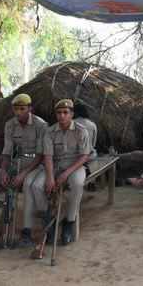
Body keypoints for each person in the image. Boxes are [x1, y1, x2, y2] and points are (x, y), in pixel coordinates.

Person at [0, 94, 48, 244]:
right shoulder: (10, 124)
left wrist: (23, 174)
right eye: (16, 109)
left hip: (35, 164)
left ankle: (27, 230)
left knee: (27, 185)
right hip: (16, 163)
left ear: (30, 109)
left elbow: (40, 155)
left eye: (22, 109)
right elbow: (7, 152)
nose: (18, 112)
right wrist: (3, 171)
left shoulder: (41, 125)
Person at [29, 99, 91, 245]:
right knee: (36, 186)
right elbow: (48, 156)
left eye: (65, 112)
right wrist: (50, 177)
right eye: (59, 113)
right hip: (54, 165)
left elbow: (84, 156)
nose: (62, 116)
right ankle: (49, 220)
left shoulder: (81, 130)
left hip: (75, 165)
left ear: (72, 114)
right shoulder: (50, 132)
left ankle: (69, 222)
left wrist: (66, 173)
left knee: (77, 184)